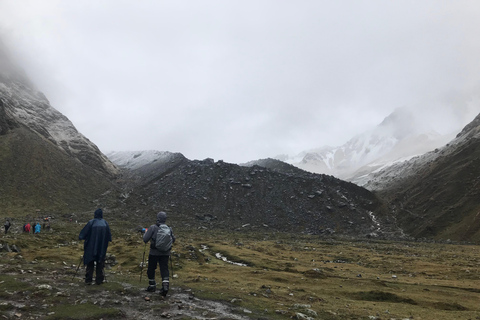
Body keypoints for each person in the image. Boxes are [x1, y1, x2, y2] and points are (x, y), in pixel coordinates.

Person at [143, 211, 175, 297]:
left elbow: (145, 239)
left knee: (151, 268)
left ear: (158, 218)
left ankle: (152, 285)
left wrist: (146, 232)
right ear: (165, 219)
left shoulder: (153, 227)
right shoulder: (169, 229)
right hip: (165, 253)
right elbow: (173, 240)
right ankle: (165, 287)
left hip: (154, 252)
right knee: (164, 269)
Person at [78, 208, 112, 285]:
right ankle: (99, 280)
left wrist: (82, 237)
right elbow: (109, 237)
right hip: (102, 247)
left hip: (91, 246)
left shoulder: (91, 223)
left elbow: (82, 235)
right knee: (100, 262)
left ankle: (88, 279)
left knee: (90, 262)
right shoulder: (105, 223)